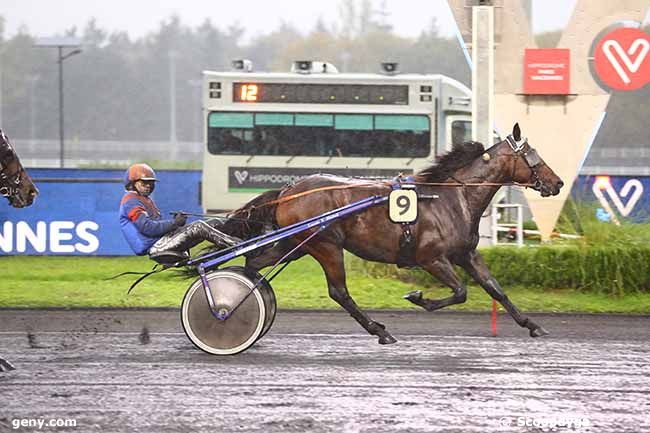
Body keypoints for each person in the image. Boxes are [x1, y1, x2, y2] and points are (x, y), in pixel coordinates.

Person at [119, 163, 240, 264]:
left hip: (161, 241)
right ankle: (237, 245)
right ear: (132, 184)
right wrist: (175, 223)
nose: (148, 186)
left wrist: (175, 222)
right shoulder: (131, 201)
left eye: (151, 183)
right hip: (155, 247)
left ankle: (225, 249)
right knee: (198, 226)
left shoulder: (144, 199)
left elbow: (156, 225)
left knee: (214, 223)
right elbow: (147, 228)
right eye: (144, 183)